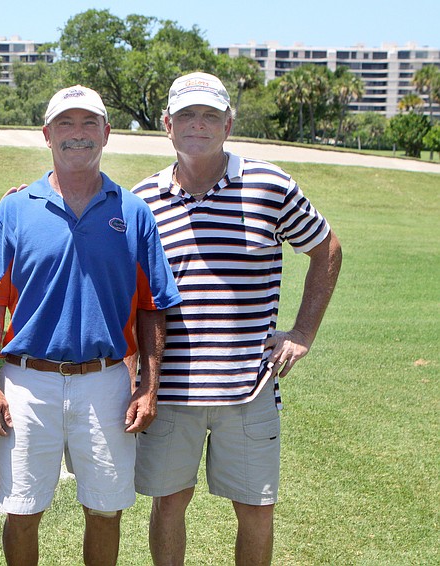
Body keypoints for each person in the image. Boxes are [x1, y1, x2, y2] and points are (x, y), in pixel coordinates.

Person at [131, 72, 343, 565]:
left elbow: (326, 248)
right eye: (186, 115)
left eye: (209, 115)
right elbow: (127, 289)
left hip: (249, 387)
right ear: (167, 124)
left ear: (228, 123)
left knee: (255, 508)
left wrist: (304, 332)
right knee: (168, 505)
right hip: (170, 389)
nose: (197, 125)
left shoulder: (270, 185)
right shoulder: (143, 198)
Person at [0, 85, 182, 566]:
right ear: (47, 134)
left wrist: (148, 387)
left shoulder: (133, 212)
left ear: (106, 133)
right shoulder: (14, 210)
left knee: (105, 510)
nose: (77, 135)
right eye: (65, 124)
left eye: (89, 124)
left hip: (105, 382)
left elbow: (152, 307)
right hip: (27, 382)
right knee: (22, 510)